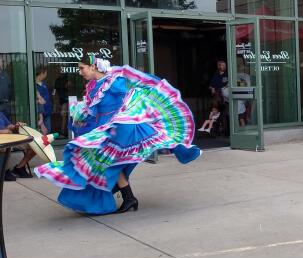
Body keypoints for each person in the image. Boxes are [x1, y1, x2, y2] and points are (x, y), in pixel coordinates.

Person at [34, 55, 201, 214]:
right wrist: (80, 115)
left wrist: (128, 114)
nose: (80, 72)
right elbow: (92, 109)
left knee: (107, 163)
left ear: (93, 66)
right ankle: (128, 197)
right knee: (104, 164)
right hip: (103, 129)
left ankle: (127, 196)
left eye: (82, 68)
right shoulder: (93, 86)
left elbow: (134, 94)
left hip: (118, 128)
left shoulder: (114, 81)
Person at [0, 111, 38, 181]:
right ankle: (4, 171)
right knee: (4, 147)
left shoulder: (0, 113)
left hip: (10, 139)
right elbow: (7, 131)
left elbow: (9, 126)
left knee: (35, 144)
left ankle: (19, 168)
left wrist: (17, 126)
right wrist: (5, 132)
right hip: (2, 142)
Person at [35, 65, 53, 135]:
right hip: (39, 114)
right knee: (41, 133)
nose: (46, 75)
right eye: (46, 73)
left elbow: (45, 99)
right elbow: (40, 101)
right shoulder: (33, 85)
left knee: (48, 131)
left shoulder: (44, 84)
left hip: (47, 112)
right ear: (42, 73)